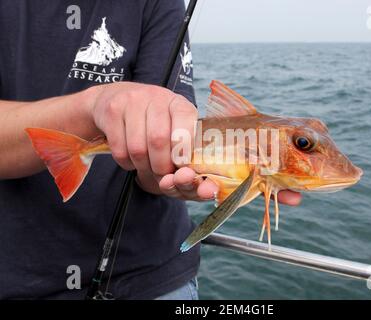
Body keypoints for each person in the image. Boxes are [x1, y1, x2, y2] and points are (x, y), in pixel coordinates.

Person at [0, 0, 301, 299]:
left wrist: (168, 175)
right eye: (303, 145)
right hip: (16, 276)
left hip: (150, 274)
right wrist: (92, 106)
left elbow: (159, 160)